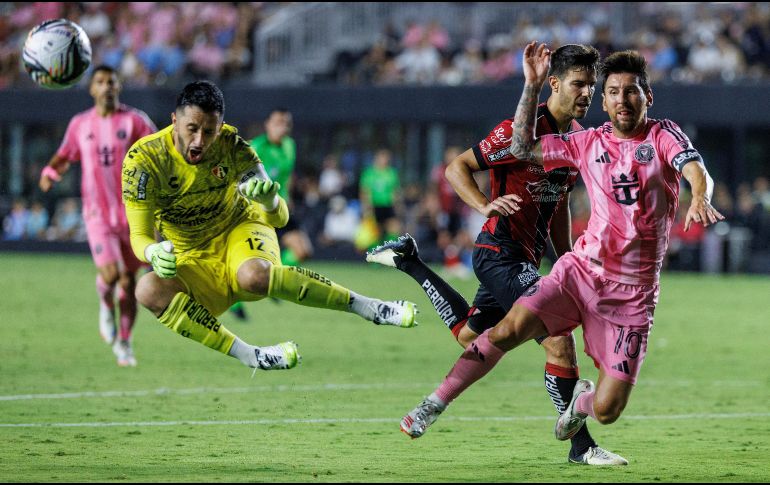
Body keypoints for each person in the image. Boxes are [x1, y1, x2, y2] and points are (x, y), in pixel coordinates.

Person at [398, 43, 724, 465]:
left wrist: (699, 195)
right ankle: (435, 404)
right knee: (526, 335)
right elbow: (514, 148)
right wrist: (529, 87)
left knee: (606, 408)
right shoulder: (585, 142)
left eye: (629, 91)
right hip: (545, 262)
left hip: (632, 293)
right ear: (604, 101)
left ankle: (581, 410)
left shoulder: (659, 135)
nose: (616, 98)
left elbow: (696, 170)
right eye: (608, 90)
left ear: (648, 97)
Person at [369, 44, 626, 465]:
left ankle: (410, 262)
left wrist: (566, 258)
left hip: (525, 260)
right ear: (554, 84)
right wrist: (482, 205)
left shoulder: (575, 140)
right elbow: (457, 167)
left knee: (471, 334)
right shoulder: (518, 131)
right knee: (558, 340)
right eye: (579, 84)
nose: (586, 93)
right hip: (497, 252)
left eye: (591, 86)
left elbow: (558, 203)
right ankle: (582, 449)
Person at [121, 81, 417, 373]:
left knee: (254, 276)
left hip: (239, 228)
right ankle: (253, 355)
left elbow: (280, 219)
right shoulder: (143, 161)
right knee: (147, 289)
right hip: (193, 255)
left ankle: (371, 307)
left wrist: (269, 201)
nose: (199, 140)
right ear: (174, 120)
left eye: (209, 131)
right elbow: (139, 234)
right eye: (192, 129)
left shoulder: (234, 147)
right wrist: (151, 251)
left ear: (221, 126)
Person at [39, 65, 156, 367]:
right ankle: (105, 303)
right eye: (100, 82)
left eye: (111, 82)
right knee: (112, 276)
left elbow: (160, 153)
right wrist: (50, 171)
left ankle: (125, 342)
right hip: (97, 215)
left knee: (130, 283)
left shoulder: (135, 121)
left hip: (134, 215)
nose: (106, 87)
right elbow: (65, 155)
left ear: (119, 87)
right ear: (92, 89)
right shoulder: (80, 124)